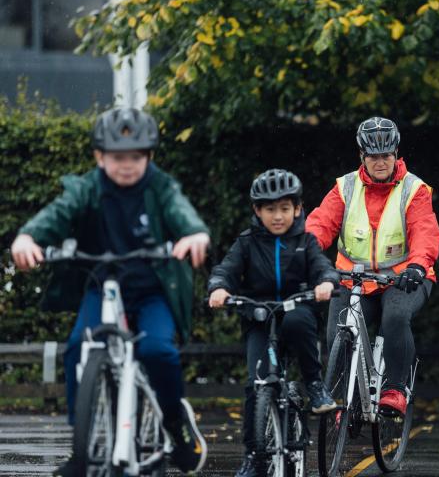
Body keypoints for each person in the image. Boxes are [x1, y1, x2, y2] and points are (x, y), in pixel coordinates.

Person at [10, 107, 209, 476]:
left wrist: (194, 233)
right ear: (100, 157)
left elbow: (180, 211)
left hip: (151, 290)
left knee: (157, 351)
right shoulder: (87, 188)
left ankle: (173, 422)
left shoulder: (159, 186)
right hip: (101, 286)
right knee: (77, 349)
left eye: (136, 157)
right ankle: (80, 446)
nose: (127, 165)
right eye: (117, 157)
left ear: (149, 157)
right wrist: (28, 237)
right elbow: (57, 212)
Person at [207, 168, 339, 477]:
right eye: (269, 209)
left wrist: (326, 283)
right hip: (259, 316)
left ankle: (314, 384)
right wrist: (218, 288)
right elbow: (226, 269)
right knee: (257, 385)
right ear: (257, 210)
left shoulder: (305, 241)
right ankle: (254, 455)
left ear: (296, 209)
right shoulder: (247, 242)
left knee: (296, 321)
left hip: (297, 308)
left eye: (284, 208)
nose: (277, 216)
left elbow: (323, 268)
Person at [306, 116, 439, 416]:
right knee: (338, 333)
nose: (380, 162)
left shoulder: (413, 189)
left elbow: (425, 231)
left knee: (395, 317)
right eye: (373, 156)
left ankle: (395, 388)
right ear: (362, 157)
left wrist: (418, 265)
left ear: (396, 154)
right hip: (352, 279)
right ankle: (346, 401)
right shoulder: (346, 187)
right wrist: (304, 253)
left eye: (386, 155)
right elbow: (321, 223)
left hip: (404, 277)